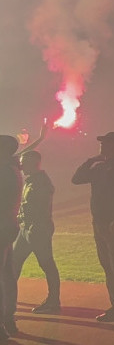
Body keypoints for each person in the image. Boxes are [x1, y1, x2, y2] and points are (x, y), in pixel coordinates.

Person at [71, 131, 114, 325]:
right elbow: (76, 178)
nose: (102, 146)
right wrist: (91, 160)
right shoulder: (98, 166)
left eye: (106, 143)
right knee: (108, 267)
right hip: (99, 221)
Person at [11, 150, 61, 315]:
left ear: (34, 163)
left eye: (24, 162)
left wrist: (35, 228)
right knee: (13, 263)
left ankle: (53, 301)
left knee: (47, 264)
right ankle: (7, 299)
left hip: (37, 229)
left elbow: (42, 209)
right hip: (26, 228)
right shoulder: (31, 180)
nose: (21, 165)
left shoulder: (41, 182)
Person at [0, 136, 22, 339]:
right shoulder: (12, 169)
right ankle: (8, 319)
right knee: (7, 275)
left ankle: (2, 327)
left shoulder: (5, 172)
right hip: (7, 226)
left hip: (2, 225)